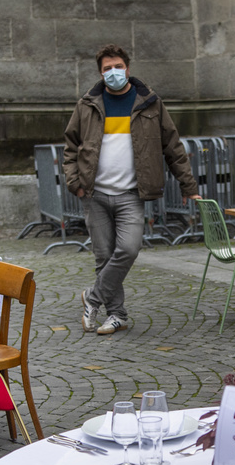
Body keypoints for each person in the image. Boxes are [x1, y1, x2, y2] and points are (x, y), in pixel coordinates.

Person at [63, 44, 199, 336]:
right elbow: (70, 147)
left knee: (127, 249)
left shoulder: (149, 102)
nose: (113, 73)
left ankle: (93, 297)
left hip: (130, 194)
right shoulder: (87, 104)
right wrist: (75, 183)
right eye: (107, 69)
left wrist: (188, 184)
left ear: (128, 68)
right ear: (100, 73)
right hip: (94, 194)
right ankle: (117, 314)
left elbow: (172, 146)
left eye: (118, 67)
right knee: (104, 256)